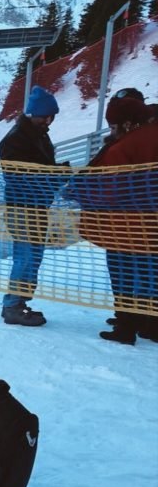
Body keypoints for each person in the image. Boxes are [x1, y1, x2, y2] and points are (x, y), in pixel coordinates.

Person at [74, 91, 157, 344]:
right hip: (152, 227)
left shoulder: (122, 147)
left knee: (122, 274)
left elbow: (109, 192)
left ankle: (125, 327)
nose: (112, 129)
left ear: (127, 122)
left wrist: (79, 191)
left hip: (124, 228)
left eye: (113, 125)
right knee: (149, 274)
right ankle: (150, 325)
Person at [0, 85, 67, 326]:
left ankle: (21, 301)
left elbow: (39, 169)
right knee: (25, 255)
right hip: (23, 206)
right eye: (48, 116)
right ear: (37, 114)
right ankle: (12, 305)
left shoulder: (38, 135)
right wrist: (56, 175)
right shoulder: (16, 139)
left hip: (37, 205)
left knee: (34, 255)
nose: (50, 121)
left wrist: (56, 173)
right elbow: (22, 175)